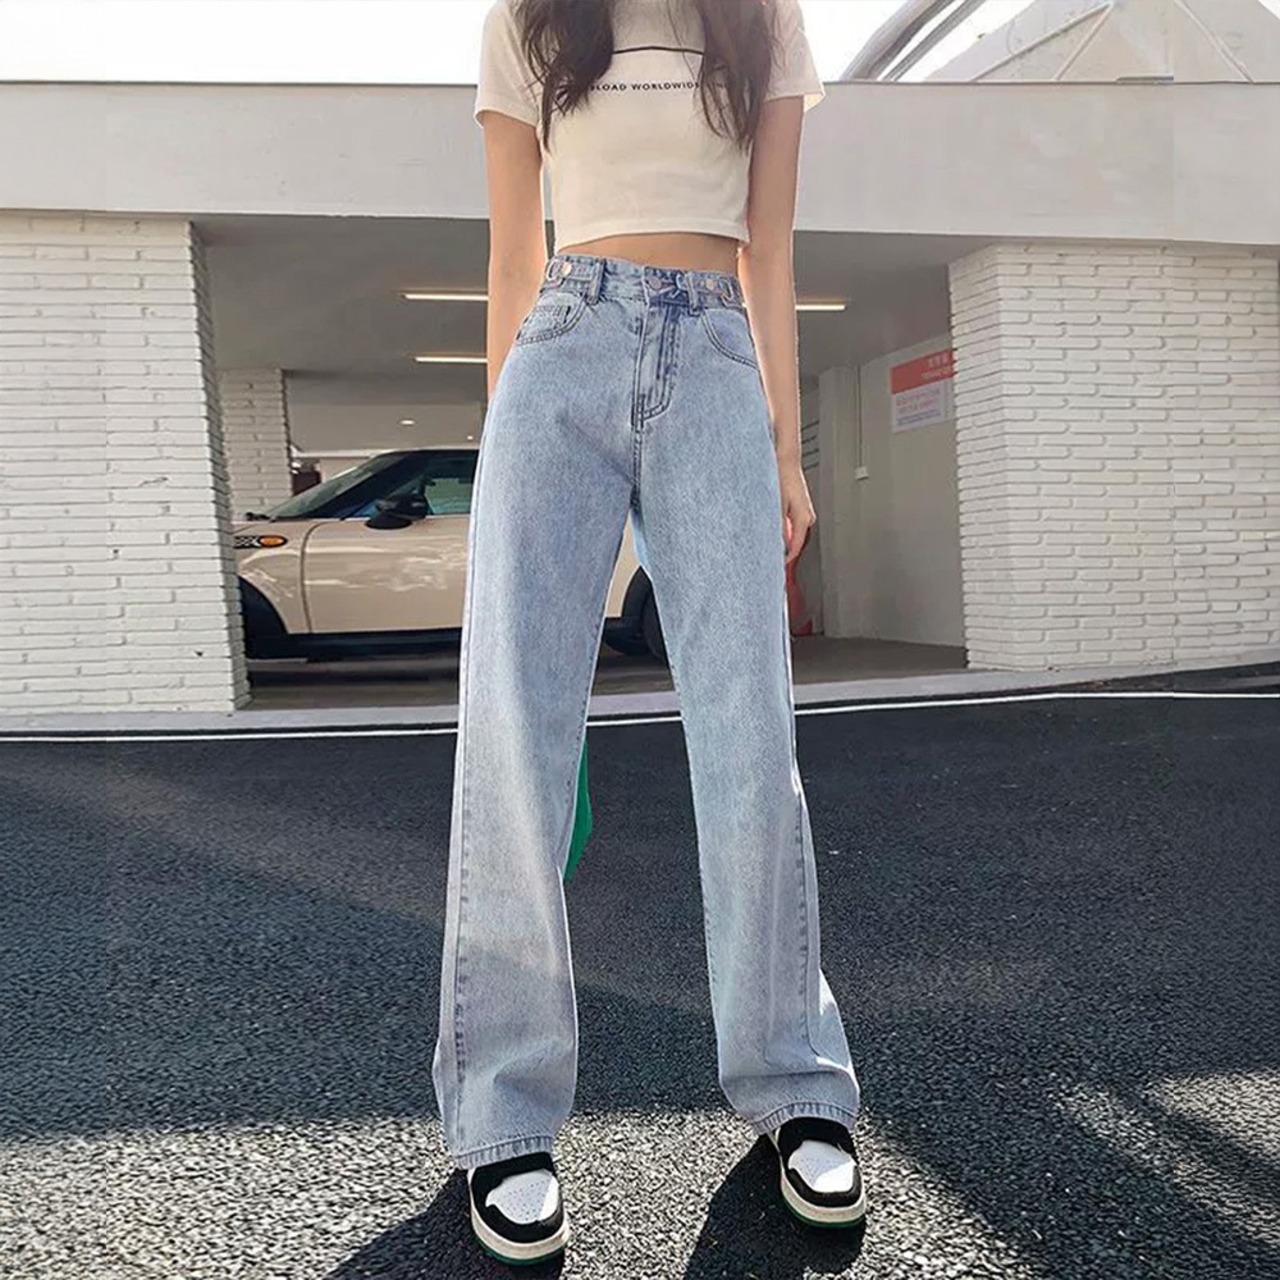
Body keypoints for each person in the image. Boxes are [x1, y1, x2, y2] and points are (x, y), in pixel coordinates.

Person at [433, 0, 866, 1263]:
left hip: (715, 351)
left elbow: (769, 248)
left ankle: (793, 1082)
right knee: (515, 739)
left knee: (749, 740)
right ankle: (503, 1111)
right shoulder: (529, 17)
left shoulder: (761, 18)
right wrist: (499, 448)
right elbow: (512, 252)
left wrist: (785, 448)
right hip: (559, 348)